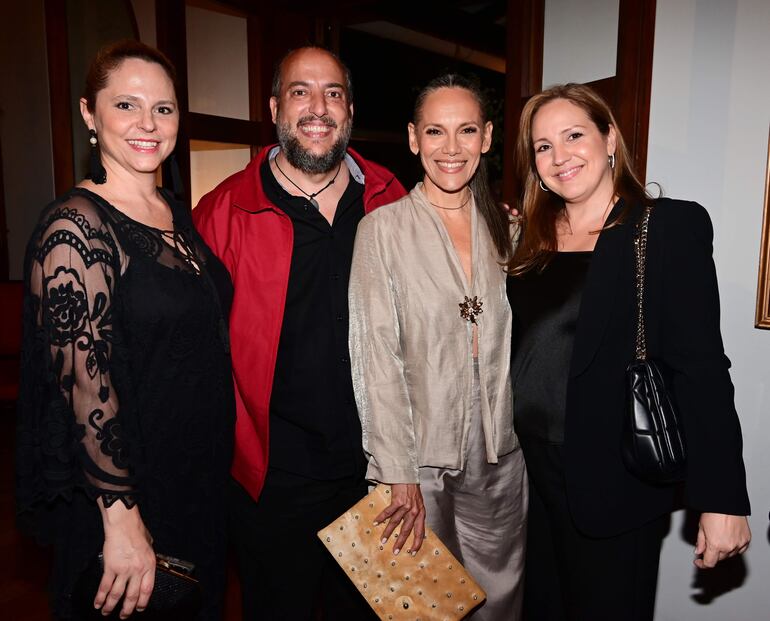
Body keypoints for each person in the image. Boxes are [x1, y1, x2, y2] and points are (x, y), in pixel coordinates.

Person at [506, 82, 751, 621]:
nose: (559, 156)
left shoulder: (665, 228)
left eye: (574, 135)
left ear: (610, 137)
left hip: (613, 481)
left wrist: (724, 497)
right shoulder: (529, 239)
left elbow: (703, 367)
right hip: (534, 482)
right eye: (543, 146)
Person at [16, 40, 235, 620]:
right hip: (132, 500)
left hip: (197, 483)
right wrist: (122, 520)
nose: (148, 124)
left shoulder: (173, 212)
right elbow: (84, 389)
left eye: (162, 109)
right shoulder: (74, 229)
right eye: (126, 105)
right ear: (90, 114)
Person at [193, 46, 406, 619]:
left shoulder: (392, 200)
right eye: (300, 91)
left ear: (351, 110)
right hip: (274, 482)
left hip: (375, 475)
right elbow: (193, 360)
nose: (318, 107)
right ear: (274, 107)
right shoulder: (222, 214)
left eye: (333, 93)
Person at [348, 74, 528, 620]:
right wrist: (395, 470)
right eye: (435, 131)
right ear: (412, 138)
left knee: (503, 597)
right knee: (422, 604)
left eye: (466, 130)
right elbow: (375, 355)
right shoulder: (382, 230)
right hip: (419, 452)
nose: (451, 148)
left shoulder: (513, 229)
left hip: (503, 449)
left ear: (488, 137)